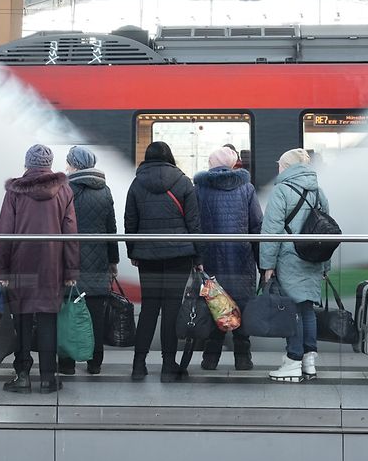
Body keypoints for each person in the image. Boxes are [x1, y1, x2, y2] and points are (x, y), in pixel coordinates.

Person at [0, 144, 79, 394]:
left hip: (21, 265)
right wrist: (71, 271)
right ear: (49, 165)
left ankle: (22, 376)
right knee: (48, 320)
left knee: (22, 319)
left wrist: (1, 271)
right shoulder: (64, 190)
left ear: (27, 164)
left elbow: (5, 231)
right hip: (52, 266)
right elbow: (71, 234)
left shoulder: (15, 192)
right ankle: (48, 378)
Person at [125, 141, 201, 383]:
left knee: (149, 308)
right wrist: (198, 257)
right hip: (179, 255)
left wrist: (133, 252)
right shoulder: (183, 182)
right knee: (171, 309)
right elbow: (194, 224)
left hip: (148, 256)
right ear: (170, 157)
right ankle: (168, 366)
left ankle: (138, 365)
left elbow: (130, 222)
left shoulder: (137, 183)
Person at [260, 148, 330, 382]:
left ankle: (293, 360)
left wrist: (267, 265)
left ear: (286, 167)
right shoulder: (318, 191)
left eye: (279, 164)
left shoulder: (281, 191)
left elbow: (271, 231)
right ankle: (309, 360)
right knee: (307, 309)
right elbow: (327, 231)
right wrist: (325, 265)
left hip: (289, 258)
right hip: (313, 258)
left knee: (292, 311)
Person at [194, 146, 262, 370]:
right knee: (242, 305)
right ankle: (243, 359)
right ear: (232, 163)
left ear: (212, 163)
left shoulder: (200, 188)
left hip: (210, 258)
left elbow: (195, 225)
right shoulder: (247, 188)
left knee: (215, 304)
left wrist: (197, 257)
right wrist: (261, 262)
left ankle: (210, 359)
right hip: (241, 258)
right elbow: (256, 226)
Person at [63, 145, 118, 375]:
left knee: (68, 311)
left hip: (70, 261)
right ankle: (95, 363)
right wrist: (113, 261)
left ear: (74, 165)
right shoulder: (104, 190)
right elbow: (111, 229)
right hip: (98, 261)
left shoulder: (65, 189)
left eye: (68, 162)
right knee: (95, 314)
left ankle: (66, 364)